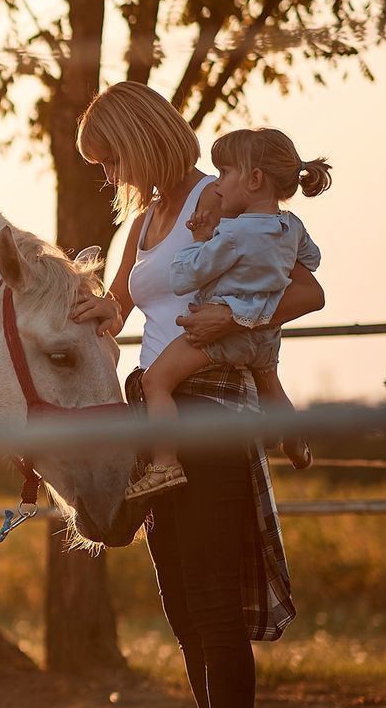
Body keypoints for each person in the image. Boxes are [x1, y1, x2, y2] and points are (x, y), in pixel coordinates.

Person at [69, 82, 321, 708]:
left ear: (141, 141)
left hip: (212, 405)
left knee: (211, 602)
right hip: (158, 410)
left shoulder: (224, 197)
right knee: (182, 603)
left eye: (111, 159)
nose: (109, 177)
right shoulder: (142, 221)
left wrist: (236, 317)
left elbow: (305, 289)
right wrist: (91, 309)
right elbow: (122, 307)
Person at [128, 128, 332, 500]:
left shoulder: (233, 233)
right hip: (265, 336)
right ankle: (295, 440)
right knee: (271, 385)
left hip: (226, 337)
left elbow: (184, 275)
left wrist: (200, 240)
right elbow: (312, 261)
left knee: (154, 382)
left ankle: (165, 463)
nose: (217, 183)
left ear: (254, 180)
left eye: (224, 173)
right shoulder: (292, 226)